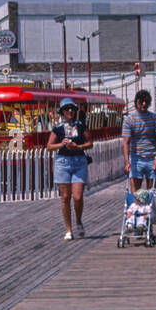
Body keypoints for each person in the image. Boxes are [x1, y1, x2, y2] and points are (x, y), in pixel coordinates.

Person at [46, 98, 91, 241]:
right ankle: (68, 229)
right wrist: (61, 144)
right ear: (62, 112)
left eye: (72, 108)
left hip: (78, 161)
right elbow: (49, 146)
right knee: (65, 197)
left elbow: (90, 143)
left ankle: (78, 220)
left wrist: (79, 147)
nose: (70, 111)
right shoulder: (58, 128)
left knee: (77, 196)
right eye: (67, 109)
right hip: (63, 163)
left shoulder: (81, 125)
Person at [121, 89, 156, 194]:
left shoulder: (155, 119)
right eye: (141, 101)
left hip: (152, 158)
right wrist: (127, 162)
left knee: (151, 194)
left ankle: (150, 210)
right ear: (137, 102)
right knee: (136, 195)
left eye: (146, 101)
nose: (144, 104)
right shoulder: (129, 120)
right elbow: (126, 142)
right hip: (136, 158)